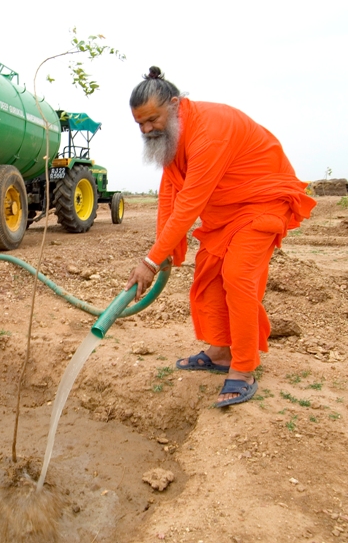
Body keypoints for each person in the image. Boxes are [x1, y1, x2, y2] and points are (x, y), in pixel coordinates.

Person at [125, 67, 315, 407]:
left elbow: (190, 203)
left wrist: (150, 261)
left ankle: (243, 369)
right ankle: (222, 353)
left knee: (238, 277)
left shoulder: (210, 129)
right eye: (140, 123)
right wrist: (164, 249)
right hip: (226, 212)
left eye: (152, 119)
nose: (147, 129)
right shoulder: (176, 136)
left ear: (175, 104)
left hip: (261, 202)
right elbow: (171, 191)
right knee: (210, 276)